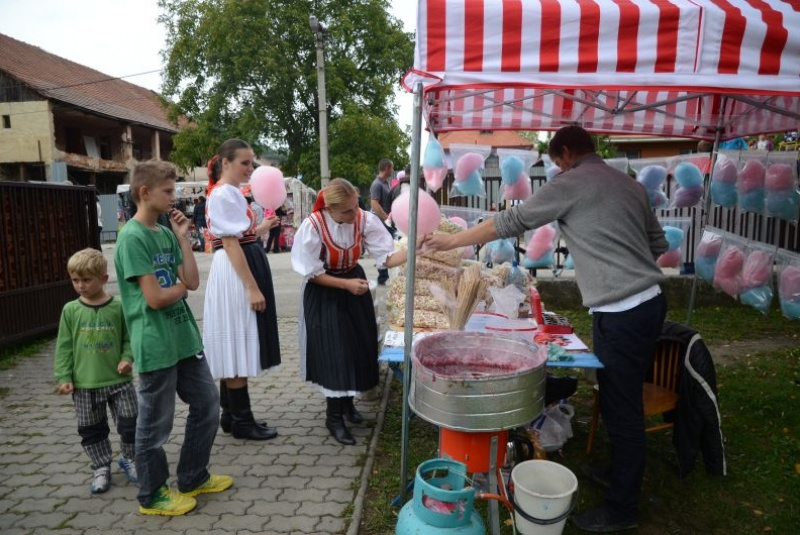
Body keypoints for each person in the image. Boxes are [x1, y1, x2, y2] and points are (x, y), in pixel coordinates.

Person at [423, 125, 668, 533]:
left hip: (623, 309)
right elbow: (658, 244)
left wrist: (451, 243)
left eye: (556, 163)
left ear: (567, 154)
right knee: (617, 394)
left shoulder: (573, 182)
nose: (557, 170)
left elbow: (512, 220)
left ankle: (622, 508)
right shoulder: (628, 184)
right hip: (649, 303)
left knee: (623, 409)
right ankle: (618, 471)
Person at [115, 160, 232, 516]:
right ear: (144, 192)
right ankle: (152, 496)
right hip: (155, 342)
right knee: (155, 425)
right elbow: (154, 298)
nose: (174, 197)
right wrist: (180, 289)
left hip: (183, 338)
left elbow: (192, 281)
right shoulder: (132, 237)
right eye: (168, 191)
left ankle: (193, 476)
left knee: (208, 404)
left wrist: (183, 239)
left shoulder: (165, 232)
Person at [291, 178, 411, 445]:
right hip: (325, 290)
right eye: (346, 210)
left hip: (353, 286)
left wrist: (415, 247)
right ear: (329, 209)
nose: (353, 213)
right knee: (335, 351)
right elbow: (311, 273)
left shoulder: (363, 220)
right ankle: (333, 418)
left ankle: (346, 406)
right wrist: (345, 284)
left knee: (357, 347)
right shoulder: (313, 226)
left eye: (355, 206)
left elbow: (387, 257)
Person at [202, 139, 281, 441]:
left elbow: (237, 235)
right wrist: (251, 287)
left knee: (234, 339)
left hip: (237, 265)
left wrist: (262, 228)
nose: (250, 168)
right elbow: (231, 242)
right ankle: (243, 421)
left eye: (251, 163)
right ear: (225, 163)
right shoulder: (225, 193)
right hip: (236, 272)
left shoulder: (228, 192)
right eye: (244, 163)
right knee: (236, 339)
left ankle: (230, 415)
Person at [54, 248, 137, 495]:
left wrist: (127, 357)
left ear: (103, 278)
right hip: (85, 385)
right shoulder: (70, 310)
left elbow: (128, 338)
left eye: (87, 279)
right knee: (92, 429)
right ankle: (101, 466)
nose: (80, 285)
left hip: (119, 380)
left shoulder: (118, 307)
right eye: (75, 280)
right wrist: (64, 376)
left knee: (131, 420)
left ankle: (129, 458)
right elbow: (64, 346)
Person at [370, 158, 395, 285]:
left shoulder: (385, 183)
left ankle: (384, 277)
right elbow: (374, 203)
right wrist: (386, 217)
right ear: (386, 168)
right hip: (381, 222)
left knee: (388, 248)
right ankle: (382, 278)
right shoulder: (377, 184)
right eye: (391, 168)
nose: (393, 170)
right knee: (384, 248)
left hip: (385, 221)